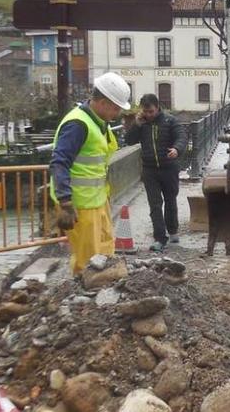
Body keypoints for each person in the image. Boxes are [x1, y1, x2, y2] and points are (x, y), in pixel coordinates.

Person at [50, 72, 131, 274]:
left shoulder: (97, 122)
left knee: (105, 251)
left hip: (96, 200)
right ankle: (83, 300)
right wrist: (66, 202)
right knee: (88, 261)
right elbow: (59, 162)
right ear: (103, 103)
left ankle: (102, 295)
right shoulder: (78, 124)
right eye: (115, 107)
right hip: (81, 205)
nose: (118, 112)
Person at [124, 94, 187, 252]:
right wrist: (136, 125)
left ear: (158, 108)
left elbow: (181, 136)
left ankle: (172, 230)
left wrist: (177, 149)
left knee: (170, 201)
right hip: (149, 170)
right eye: (146, 112)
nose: (149, 115)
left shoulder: (170, 121)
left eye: (151, 111)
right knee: (155, 205)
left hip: (169, 168)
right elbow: (129, 141)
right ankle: (159, 238)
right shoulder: (142, 124)